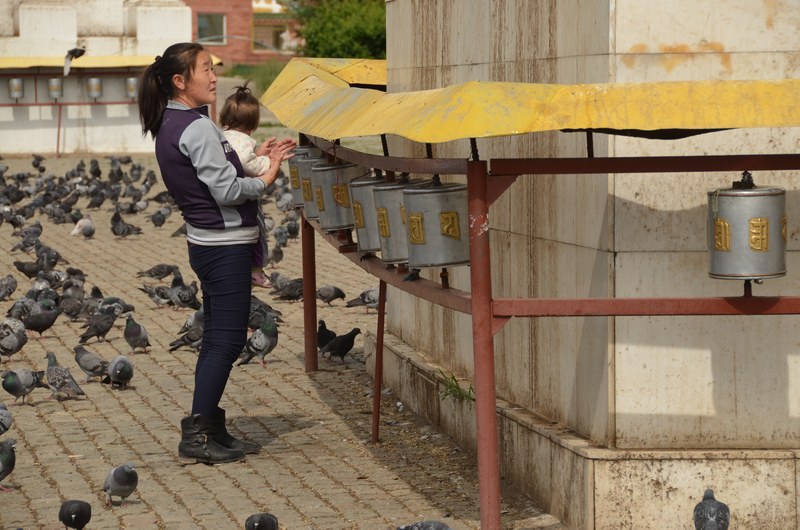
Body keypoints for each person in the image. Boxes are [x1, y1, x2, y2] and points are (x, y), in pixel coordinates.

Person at [137, 42, 296, 465]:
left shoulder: (176, 121)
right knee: (225, 342)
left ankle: (210, 423)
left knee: (215, 339)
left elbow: (218, 172)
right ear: (179, 81)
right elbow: (225, 190)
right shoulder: (195, 127)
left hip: (209, 243)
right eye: (205, 69)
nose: (213, 77)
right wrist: (266, 180)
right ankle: (198, 432)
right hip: (222, 246)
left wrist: (254, 159)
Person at [219, 83, 293, 288]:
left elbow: (238, 163)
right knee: (259, 234)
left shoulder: (222, 136)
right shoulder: (242, 140)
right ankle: (257, 271)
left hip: (229, 192)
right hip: (243, 198)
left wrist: (259, 154)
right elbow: (246, 163)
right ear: (254, 123)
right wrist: (270, 162)